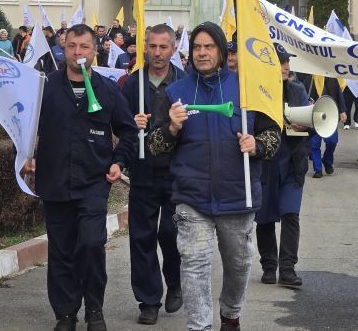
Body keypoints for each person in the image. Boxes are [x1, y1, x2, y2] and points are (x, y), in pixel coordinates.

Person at [148, 22, 281, 331]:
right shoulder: (175, 92)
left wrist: (257, 145)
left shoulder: (247, 88)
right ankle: (200, 327)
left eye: (209, 47)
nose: (202, 53)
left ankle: (231, 314)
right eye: (197, 47)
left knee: (239, 265)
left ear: (221, 52)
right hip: (191, 199)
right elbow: (154, 146)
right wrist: (171, 128)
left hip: (238, 197)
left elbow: (274, 135)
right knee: (194, 266)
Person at [22, 24, 138, 331]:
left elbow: (128, 132)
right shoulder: (43, 87)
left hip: (93, 184)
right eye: (72, 46)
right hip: (55, 181)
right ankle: (65, 314)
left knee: (90, 244)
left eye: (84, 47)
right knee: (61, 251)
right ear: (64, 47)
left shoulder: (108, 90)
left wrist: (118, 162)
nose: (78, 53)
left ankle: (94, 310)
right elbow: (23, 129)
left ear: (94, 49)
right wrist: (25, 155)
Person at [122, 24, 185, 325]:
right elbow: (119, 126)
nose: (158, 53)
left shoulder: (185, 83)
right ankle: (148, 300)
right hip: (143, 172)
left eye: (164, 47)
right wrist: (132, 124)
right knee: (142, 237)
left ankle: (175, 281)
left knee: (170, 233)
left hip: (177, 173)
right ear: (144, 47)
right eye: (153, 46)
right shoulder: (132, 85)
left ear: (173, 48)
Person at [256, 44, 310, 289]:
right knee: (264, 216)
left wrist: (308, 127)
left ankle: (288, 269)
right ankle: (269, 265)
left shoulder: (298, 90)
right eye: (281, 62)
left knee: (290, 214)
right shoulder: (257, 91)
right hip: (266, 164)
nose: (286, 67)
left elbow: (313, 121)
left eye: (287, 61)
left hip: (292, 164)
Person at [303, 76, 347, 178]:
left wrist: (342, 111)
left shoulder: (332, 78)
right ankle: (317, 169)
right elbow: (303, 96)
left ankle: (327, 161)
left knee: (332, 141)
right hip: (314, 116)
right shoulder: (309, 80)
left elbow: (339, 94)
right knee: (314, 144)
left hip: (330, 116)